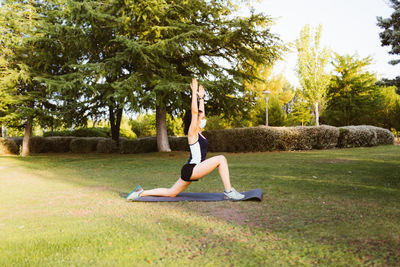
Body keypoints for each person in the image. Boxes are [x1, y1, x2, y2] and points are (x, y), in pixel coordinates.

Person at [127, 78, 245, 201]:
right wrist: (193, 92)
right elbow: (195, 113)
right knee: (221, 159)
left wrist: (201, 98)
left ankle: (140, 192)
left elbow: (200, 113)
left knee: (171, 193)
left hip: (191, 168)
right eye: (201, 117)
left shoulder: (199, 132)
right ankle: (229, 191)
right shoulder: (192, 132)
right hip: (193, 168)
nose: (203, 118)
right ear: (195, 120)